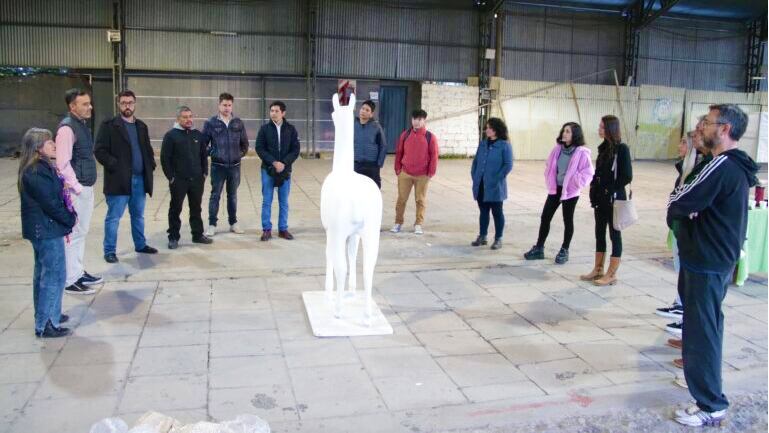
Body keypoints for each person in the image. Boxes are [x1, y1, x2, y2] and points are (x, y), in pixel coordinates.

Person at [667, 104, 757, 427]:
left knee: (702, 332)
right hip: (714, 259)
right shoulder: (730, 167)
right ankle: (705, 389)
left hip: (706, 259)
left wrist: (683, 210)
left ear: (724, 130)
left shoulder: (720, 166)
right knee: (706, 328)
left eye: (707, 122)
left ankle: (710, 403)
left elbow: (679, 200)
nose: (701, 127)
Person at [19, 128, 77, 338]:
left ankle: (50, 313)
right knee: (54, 275)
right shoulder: (35, 172)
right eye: (49, 142)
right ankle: (45, 324)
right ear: (38, 148)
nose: (54, 144)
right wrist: (70, 218)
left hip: (46, 228)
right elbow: (51, 203)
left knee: (45, 274)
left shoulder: (42, 167)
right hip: (46, 229)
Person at [94, 90, 158, 263]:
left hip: (139, 180)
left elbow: (147, 149)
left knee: (138, 216)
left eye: (130, 102)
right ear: (118, 104)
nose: (127, 106)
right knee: (114, 217)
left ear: (135, 104)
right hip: (119, 180)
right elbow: (99, 150)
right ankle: (109, 251)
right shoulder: (109, 125)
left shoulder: (141, 126)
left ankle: (140, 244)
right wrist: (115, 165)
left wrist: (150, 164)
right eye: (123, 103)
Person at [524, 122, 593, 264]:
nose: (564, 133)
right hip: (556, 189)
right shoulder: (557, 149)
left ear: (575, 135)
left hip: (570, 191)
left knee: (567, 220)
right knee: (545, 217)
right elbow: (549, 165)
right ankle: (539, 248)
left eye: (568, 131)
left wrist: (574, 181)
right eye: (563, 130)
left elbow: (588, 172)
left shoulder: (581, 152)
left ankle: (564, 249)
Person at [55, 88, 102, 295]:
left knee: (81, 232)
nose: (89, 107)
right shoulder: (66, 129)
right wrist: (77, 187)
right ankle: (70, 280)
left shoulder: (81, 125)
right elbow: (63, 164)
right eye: (84, 104)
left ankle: (78, 271)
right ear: (72, 106)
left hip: (85, 187)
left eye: (89, 103)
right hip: (77, 190)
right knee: (73, 234)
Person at [580, 115, 632, 286]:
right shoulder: (603, 148)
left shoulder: (621, 149)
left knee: (614, 234)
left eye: (602, 127)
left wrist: (609, 188)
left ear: (610, 129)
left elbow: (626, 176)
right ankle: (598, 269)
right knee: (599, 233)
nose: (599, 129)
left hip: (614, 200)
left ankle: (612, 273)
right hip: (600, 199)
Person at [160, 106, 213, 249]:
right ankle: (173, 237)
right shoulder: (171, 136)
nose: (189, 119)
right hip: (179, 180)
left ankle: (197, 235)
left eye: (190, 116)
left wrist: (204, 173)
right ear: (178, 119)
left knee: (196, 208)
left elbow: (203, 155)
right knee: (175, 208)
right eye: (185, 117)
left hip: (196, 179)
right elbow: (165, 159)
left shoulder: (197, 134)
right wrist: (171, 177)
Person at [203, 92, 250, 237]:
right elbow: (203, 145)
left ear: (232, 106)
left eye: (229, 105)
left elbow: (245, 145)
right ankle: (212, 225)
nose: (227, 108)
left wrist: (237, 155)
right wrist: (214, 153)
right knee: (215, 195)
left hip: (235, 167)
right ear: (219, 105)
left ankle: (233, 223)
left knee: (233, 195)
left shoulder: (238, 123)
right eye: (224, 105)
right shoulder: (211, 123)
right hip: (218, 167)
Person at [254, 101, 301, 241]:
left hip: (285, 170)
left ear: (283, 113)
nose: (273, 113)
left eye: (276, 111)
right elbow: (259, 148)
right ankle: (266, 229)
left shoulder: (291, 130)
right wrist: (273, 162)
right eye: (271, 111)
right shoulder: (264, 129)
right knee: (267, 200)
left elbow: (295, 149)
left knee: (284, 201)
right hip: (268, 170)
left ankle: (283, 229)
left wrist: (284, 163)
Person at [391, 109, 439, 235]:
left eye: (419, 119)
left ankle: (418, 224)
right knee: (401, 199)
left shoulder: (430, 137)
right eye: (414, 119)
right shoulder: (405, 135)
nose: (416, 122)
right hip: (405, 173)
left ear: (424, 121)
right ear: (411, 120)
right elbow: (399, 152)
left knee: (420, 200)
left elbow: (434, 156)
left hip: (422, 175)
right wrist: (398, 169)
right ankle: (398, 222)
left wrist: (430, 173)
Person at [470, 118, 513, 250]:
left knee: (497, 212)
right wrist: (474, 175)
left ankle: (498, 238)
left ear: (496, 129)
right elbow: (476, 162)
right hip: (481, 185)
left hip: (495, 186)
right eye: (486, 127)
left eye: (489, 127)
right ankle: (482, 236)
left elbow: (508, 165)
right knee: (483, 212)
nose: (486, 129)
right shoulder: (483, 144)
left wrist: (496, 178)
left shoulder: (505, 145)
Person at [353, 99, 387, 189]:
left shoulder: (376, 127)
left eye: (367, 110)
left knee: (374, 189)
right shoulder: (353, 125)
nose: (363, 111)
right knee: (357, 189)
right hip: (357, 164)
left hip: (372, 165)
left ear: (371, 114)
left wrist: (379, 164)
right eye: (362, 108)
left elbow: (383, 146)